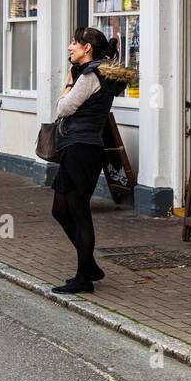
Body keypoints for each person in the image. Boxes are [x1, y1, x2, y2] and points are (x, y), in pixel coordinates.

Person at [49, 28, 135, 294]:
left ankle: (83, 279)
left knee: (79, 212)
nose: (69, 47)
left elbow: (64, 108)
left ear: (87, 48)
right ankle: (90, 267)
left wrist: (66, 84)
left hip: (82, 149)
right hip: (79, 148)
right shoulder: (91, 73)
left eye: (74, 43)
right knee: (60, 210)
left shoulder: (89, 76)